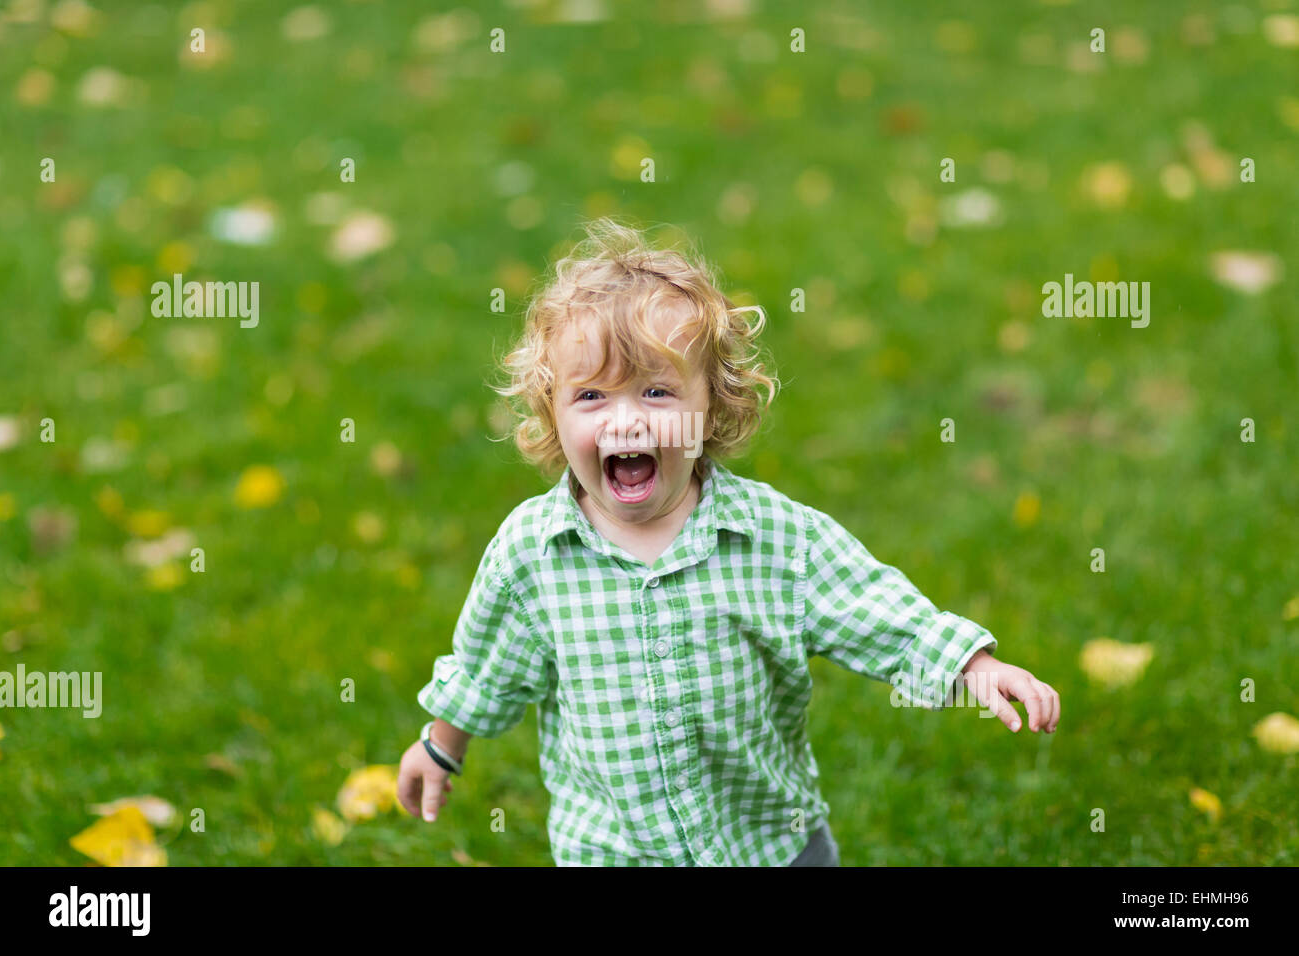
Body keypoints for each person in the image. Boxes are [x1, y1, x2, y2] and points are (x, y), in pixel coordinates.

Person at [396, 217, 1060, 866]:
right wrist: (440, 745)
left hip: (768, 842)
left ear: (711, 407)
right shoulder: (533, 555)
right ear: (553, 413)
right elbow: (487, 667)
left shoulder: (772, 538)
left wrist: (971, 665)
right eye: (592, 396)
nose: (625, 421)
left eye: (657, 391)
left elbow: (876, 609)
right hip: (615, 850)